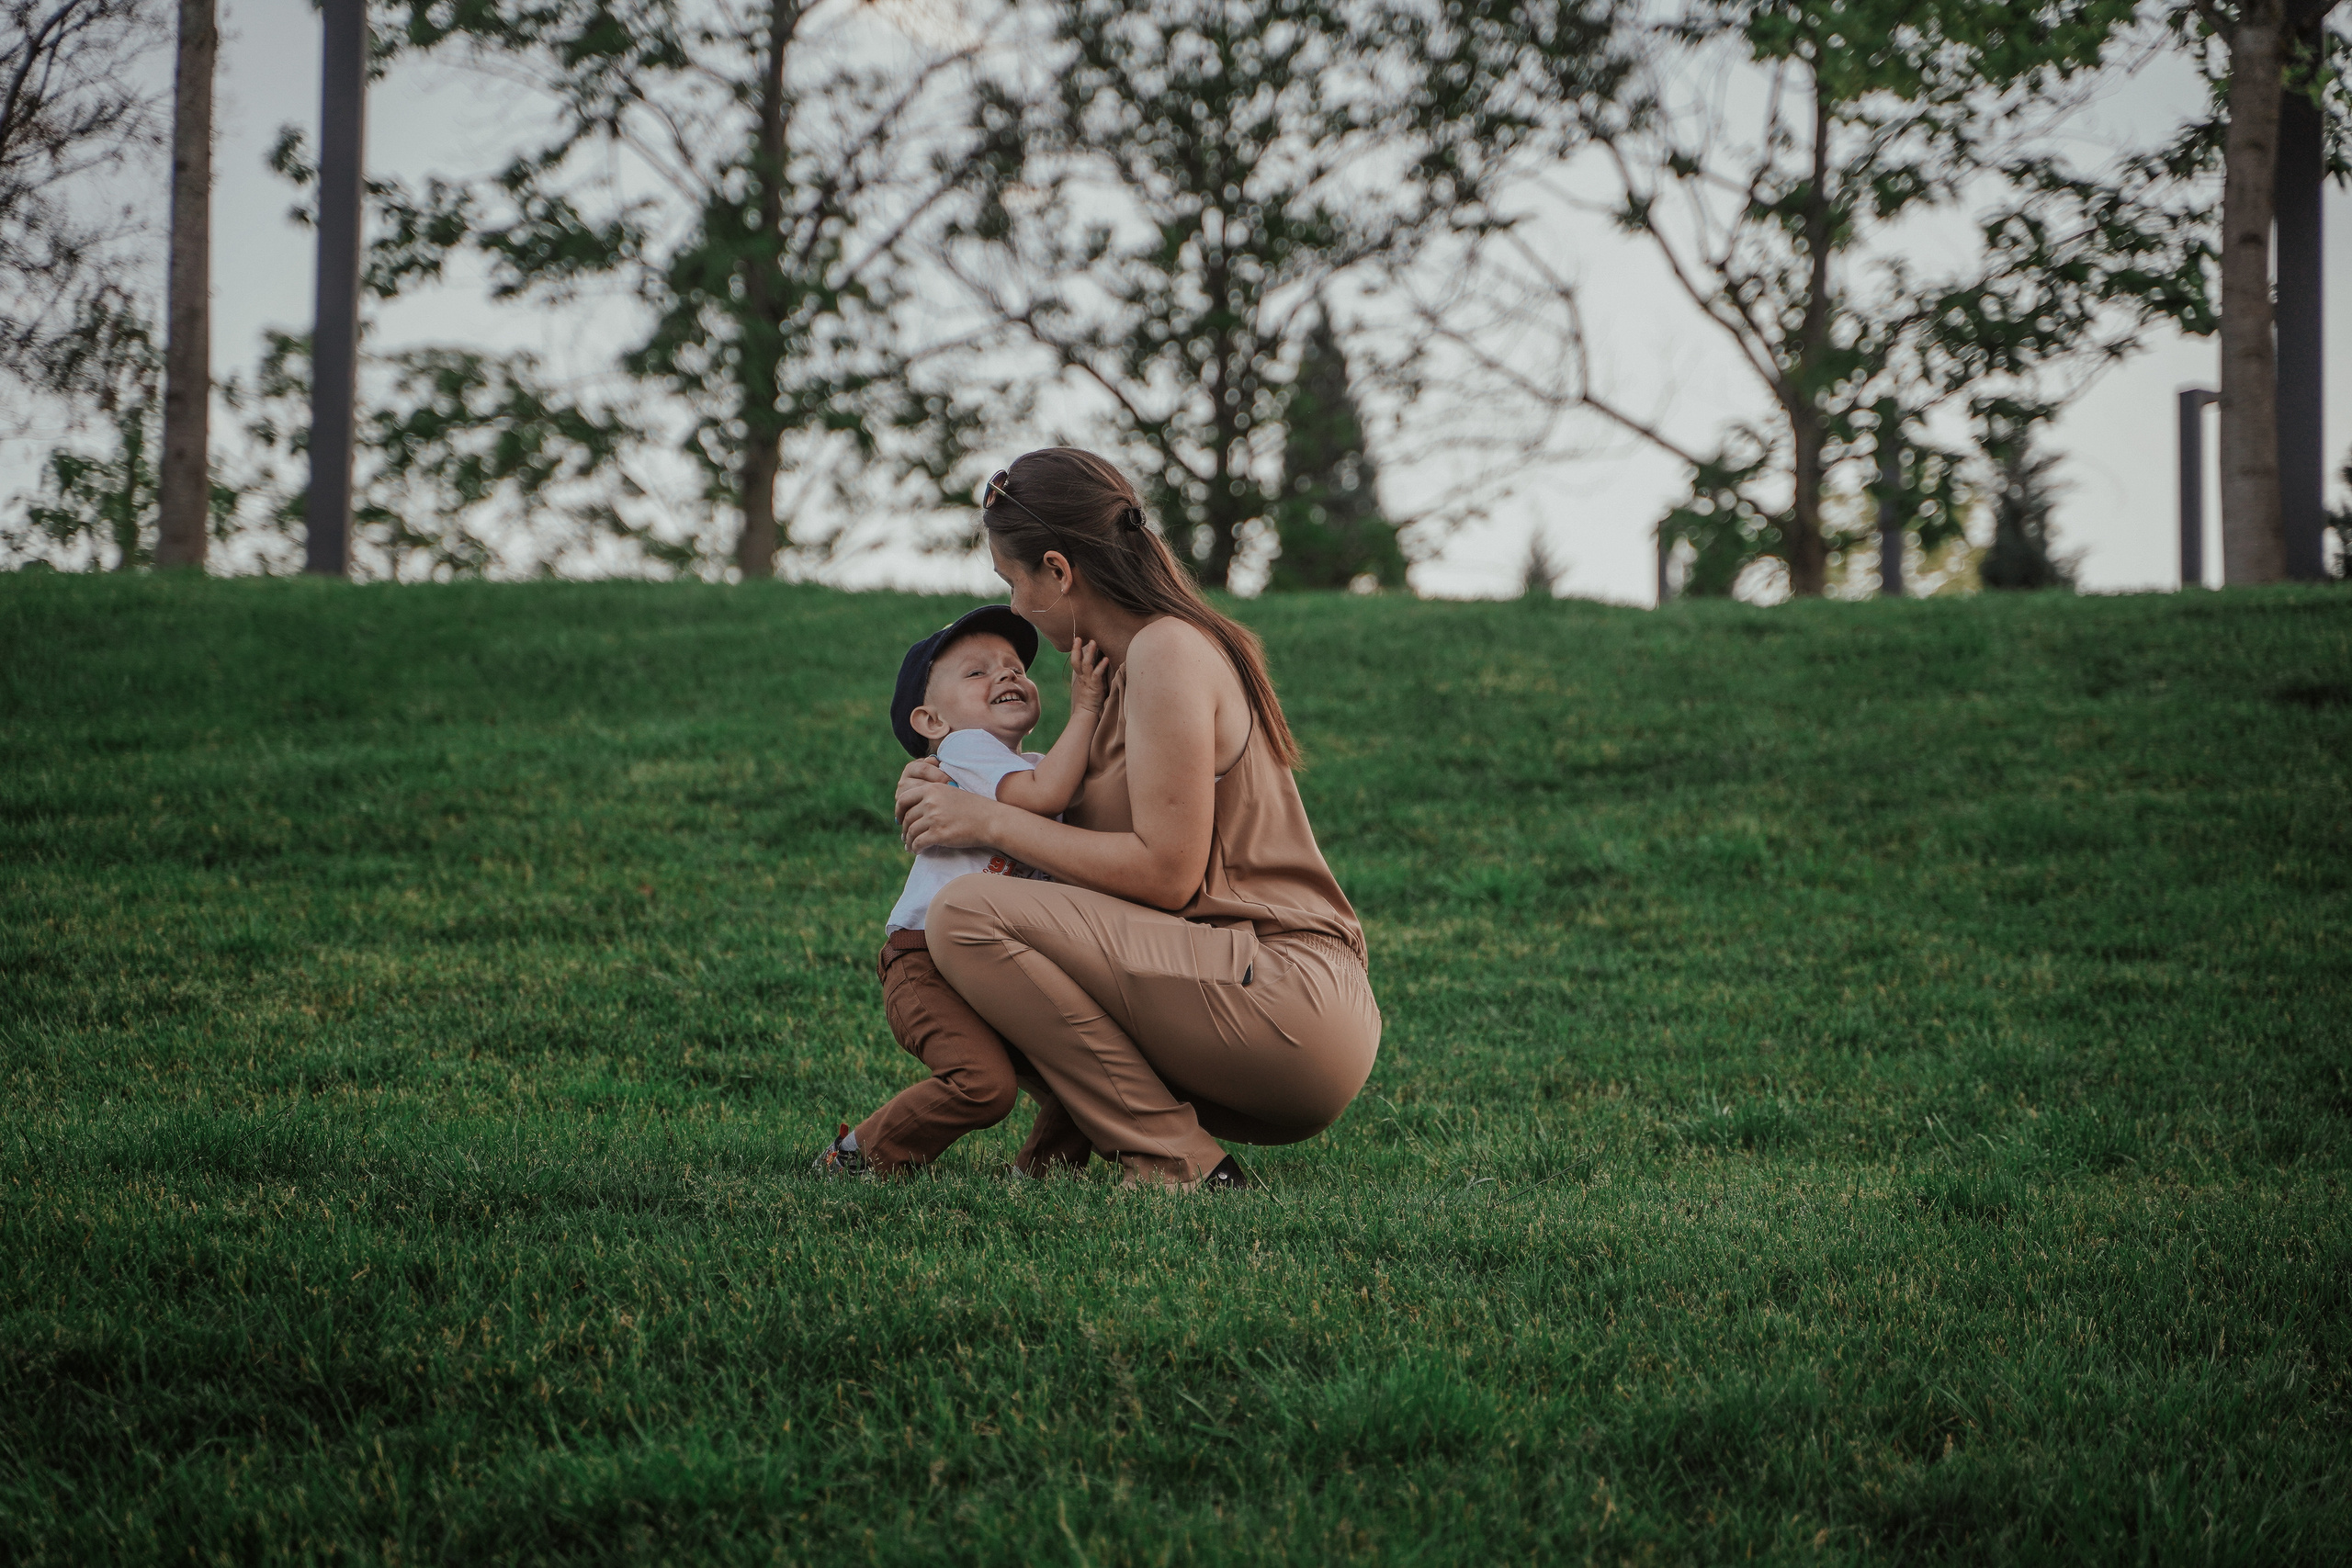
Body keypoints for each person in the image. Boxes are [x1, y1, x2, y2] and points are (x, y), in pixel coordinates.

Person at [896, 448, 1381, 1190]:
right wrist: (943, 773)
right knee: (978, 922)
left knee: (964, 916)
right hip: (1234, 993)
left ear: (1058, 572)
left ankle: (1172, 1160)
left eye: (1014, 582)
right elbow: (1080, 901)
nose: (1018, 607)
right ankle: (1078, 1152)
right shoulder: (1116, 679)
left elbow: (1165, 872)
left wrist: (986, 822)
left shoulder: (1167, 649)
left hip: (1288, 994)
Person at [812, 605, 1108, 1177]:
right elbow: (1042, 796)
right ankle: (855, 1159)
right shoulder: (962, 752)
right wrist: (1089, 706)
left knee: (1089, 1072)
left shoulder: (1038, 768)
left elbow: (1072, 785)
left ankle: (1044, 1178)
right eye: (977, 672)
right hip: (923, 962)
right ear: (931, 721)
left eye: (1017, 667)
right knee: (983, 1087)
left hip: (997, 962)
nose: (1008, 675)